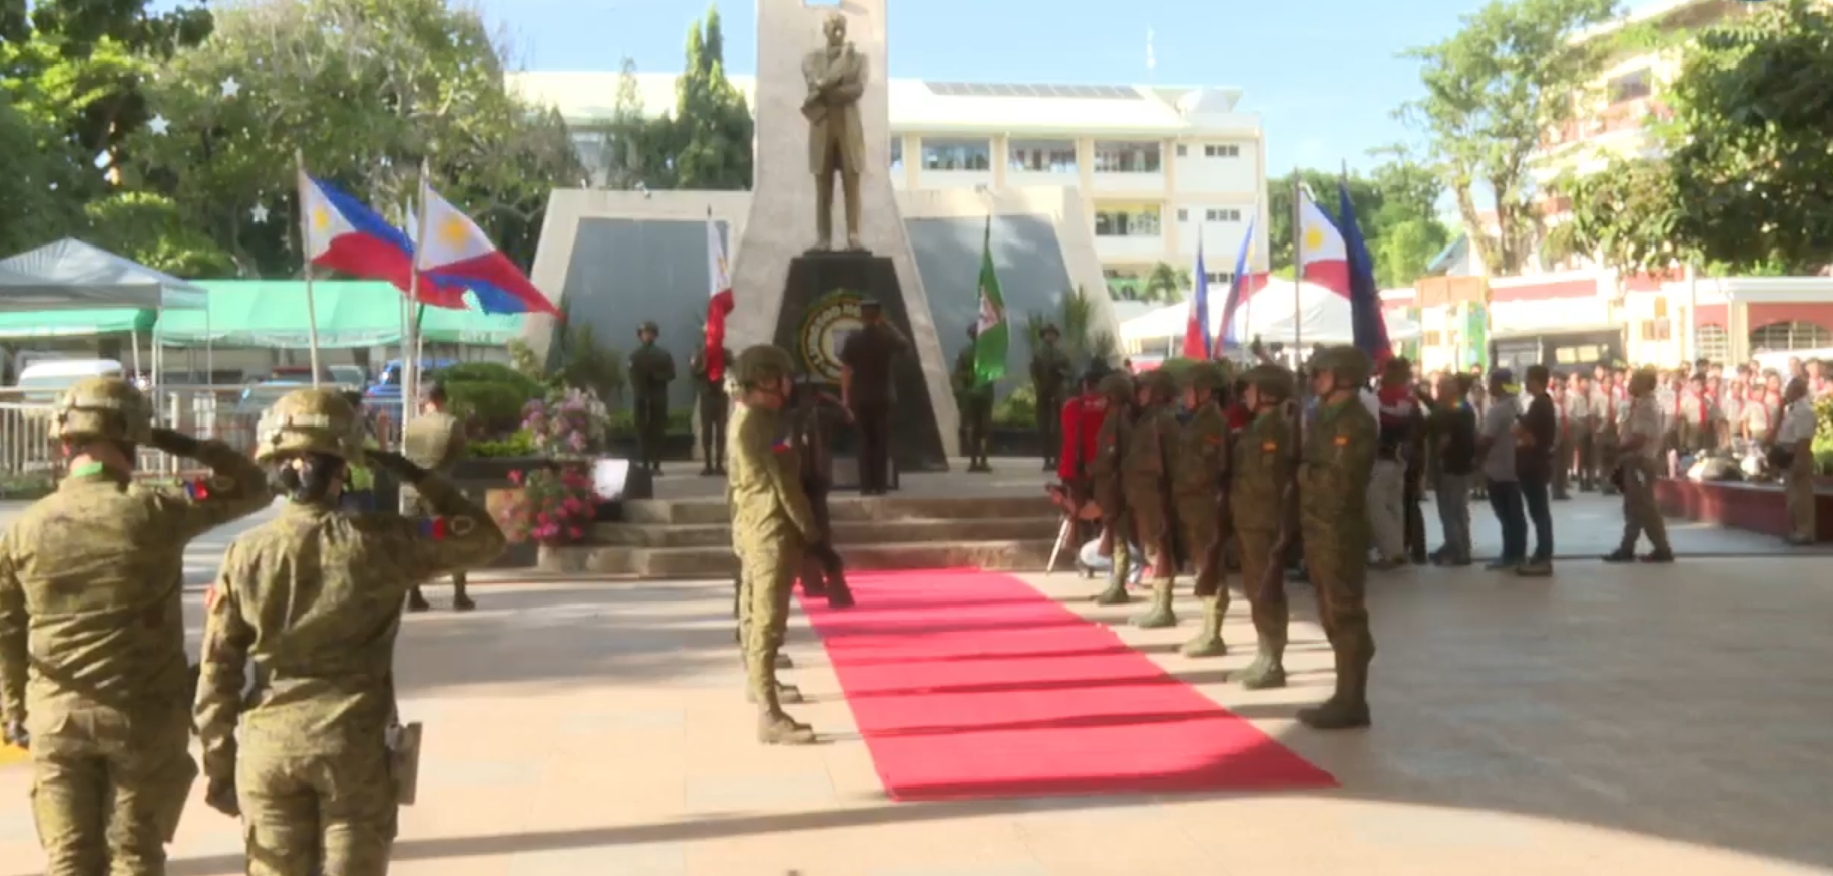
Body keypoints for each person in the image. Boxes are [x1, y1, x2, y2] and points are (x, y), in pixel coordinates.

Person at [194, 388, 506, 876]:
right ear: (345, 468)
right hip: (353, 751)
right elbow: (484, 536)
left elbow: (217, 674)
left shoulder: (245, 553)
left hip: (268, 752)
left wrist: (219, 767)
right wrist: (414, 473)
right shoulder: (383, 540)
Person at [0, 376, 272, 875]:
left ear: (64, 441)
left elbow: (7, 630)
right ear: (134, 437)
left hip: (57, 718)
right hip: (143, 718)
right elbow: (253, 486)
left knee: (68, 860)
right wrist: (177, 441)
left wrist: (14, 707)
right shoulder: (160, 507)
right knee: (136, 857)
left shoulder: (23, 529)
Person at [728, 345, 822, 744]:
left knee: (753, 610)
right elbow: (785, 486)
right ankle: (770, 714)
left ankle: (759, 685)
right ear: (767, 380)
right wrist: (812, 533)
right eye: (782, 378)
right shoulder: (761, 424)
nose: (787, 385)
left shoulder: (742, 416)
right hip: (771, 528)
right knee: (768, 621)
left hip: (751, 524)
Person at [1296, 346, 1379, 730]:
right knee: (1330, 611)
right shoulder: (1327, 418)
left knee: (1344, 612)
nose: (1315, 381)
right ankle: (1345, 693)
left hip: (1340, 529)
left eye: (1322, 373)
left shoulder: (1354, 423)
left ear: (1343, 377)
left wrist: (1303, 476)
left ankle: (1352, 700)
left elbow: (1338, 482)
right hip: (1320, 525)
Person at [1232, 364, 1297, 688]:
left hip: (1265, 520)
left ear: (1267, 394)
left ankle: (1273, 660)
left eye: (1252, 389)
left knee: (1267, 590)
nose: (1246, 394)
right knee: (1255, 588)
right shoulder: (1256, 428)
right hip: (1250, 518)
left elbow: (1272, 482)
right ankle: (1263, 653)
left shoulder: (1276, 431)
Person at [1167, 363, 1230, 653]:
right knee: (1202, 566)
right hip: (1192, 505)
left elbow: (1208, 468)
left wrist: (1182, 484)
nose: (1185, 395)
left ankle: (1213, 634)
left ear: (1204, 392)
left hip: (1205, 504)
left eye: (1189, 390)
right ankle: (1208, 630)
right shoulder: (1198, 421)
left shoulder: (1212, 423)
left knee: (1210, 567)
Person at [404, 382, 475, 613]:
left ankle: (415, 596)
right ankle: (459, 595)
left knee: (417, 541)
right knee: (451, 538)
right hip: (439, 493)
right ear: (442, 399)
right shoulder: (452, 423)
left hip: (413, 492)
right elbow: (459, 453)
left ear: (425, 400)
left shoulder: (412, 425)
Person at [789, 375, 856, 607]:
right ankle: (813, 580)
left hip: (814, 480)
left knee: (817, 533)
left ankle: (816, 580)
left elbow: (848, 418)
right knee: (812, 534)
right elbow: (777, 446)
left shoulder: (817, 415)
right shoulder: (791, 418)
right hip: (804, 480)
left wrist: (830, 401)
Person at [1120, 369, 1179, 628]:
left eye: (1146, 390)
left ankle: (1164, 607)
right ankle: (1159, 604)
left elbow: (1168, 464)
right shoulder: (1147, 420)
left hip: (1156, 497)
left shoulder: (1162, 422)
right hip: (1145, 497)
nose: (1140, 395)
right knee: (1153, 551)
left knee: (1160, 552)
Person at [1603, 367, 1676, 563]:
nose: (1630, 385)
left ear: (1644, 385)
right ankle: (1627, 547)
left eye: (1634, 381)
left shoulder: (1646, 407)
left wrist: (1617, 450)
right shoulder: (1640, 405)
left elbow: (1639, 438)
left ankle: (1662, 548)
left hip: (1640, 462)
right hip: (1635, 461)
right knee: (1634, 508)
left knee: (1645, 507)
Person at [838, 299, 910, 495]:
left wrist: (845, 397)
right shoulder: (886, 338)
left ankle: (865, 486)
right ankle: (880, 485)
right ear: (879, 317)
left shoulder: (853, 340)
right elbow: (905, 344)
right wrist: (889, 325)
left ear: (861, 318)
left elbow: (845, 370)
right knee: (881, 442)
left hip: (860, 397)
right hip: (883, 397)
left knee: (863, 441)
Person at [1086, 372, 1135, 605]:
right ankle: (1115, 583)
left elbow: (1110, 457)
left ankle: (1118, 585)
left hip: (1115, 488)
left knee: (1119, 540)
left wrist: (1092, 467)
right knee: (1116, 538)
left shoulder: (1117, 422)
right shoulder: (1115, 418)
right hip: (1111, 488)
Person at [1425, 373, 1477, 566]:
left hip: (1449, 465)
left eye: (1440, 388)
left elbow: (1445, 438)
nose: (1437, 392)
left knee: (1449, 509)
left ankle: (1456, 549)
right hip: (1463, 464)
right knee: (1459, 508)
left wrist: (1436, 458)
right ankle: (1461, 544)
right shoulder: (1463, 406)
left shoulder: (1450, 411)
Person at [1477, 369, 1527, 570]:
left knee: (1506, 515)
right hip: (1515, 465)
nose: (1489, 387)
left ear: (1500, 384)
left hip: (1498, 468)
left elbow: (1487, 438)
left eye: (1492, 382)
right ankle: (1518, 552)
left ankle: (1510, 554)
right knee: (1516, 515)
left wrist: (1476, 455)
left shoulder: (1497, 410)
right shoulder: (1517, 405)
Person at [1368, 357, 1414, 569]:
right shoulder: (1408, 395)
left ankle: (1391, 550)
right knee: (1394, 503)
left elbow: (1394, 418)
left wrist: (1376, 406)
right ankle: (1397, 548)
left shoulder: (1387, 396)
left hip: (1386, 454)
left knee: (1375, 502)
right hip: (1400, 455)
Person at [1516, 365, 1559, 577]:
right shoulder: (1542, 403)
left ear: (1536, 381)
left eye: (1528, 379)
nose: (1525, 383)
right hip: (1535, 461)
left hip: (1535, 462)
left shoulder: (1540, 404)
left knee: (1540, 511)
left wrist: (1522, 435)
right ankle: (1541, 552)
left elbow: (1521, 430)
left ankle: (1544, 556)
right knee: (1538, 511)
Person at [1772, 376, 1817, 545]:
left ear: (1798, 391)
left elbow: (1803, 440)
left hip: (1797, 454)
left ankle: (1805, 532)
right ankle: (1796, 530)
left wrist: (1799, 461)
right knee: (1793, 497)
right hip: (1787, 454)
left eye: (1789, 389)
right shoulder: (1791, 410)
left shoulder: (1804, 411)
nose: (1786, 392)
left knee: (1801, 497)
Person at [628, 321, 677, 475]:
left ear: (655, 335)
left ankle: (656, 464)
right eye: (644, 333)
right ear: (640, 336)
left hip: (658, 397)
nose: (647, 336)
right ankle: (644, 463)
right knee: (641, 431)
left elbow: (672, 374)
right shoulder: (635, 356)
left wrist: (657, 377)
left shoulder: (663, 355)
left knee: (657, 431)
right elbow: (632, 377)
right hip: (641, 397)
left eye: (650, 333)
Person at [689, 333, 735, 476]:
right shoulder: (701, 354)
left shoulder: (725, 353)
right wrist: (705, 360)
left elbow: (733, 368)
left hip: (721, 396)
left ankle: (719, 464)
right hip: (707, 396)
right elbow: (694, 372)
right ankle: (708, 464)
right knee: (707, 431)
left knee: (721, 431)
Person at [951, 324, 994, 473]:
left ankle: (976, 461)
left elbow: (958, 374)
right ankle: (980, 460)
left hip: (975, 395)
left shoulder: (967, 352)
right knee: (982, 429)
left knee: (976, 429)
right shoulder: (985, 352)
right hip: (981, 395)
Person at [1029, 323, 1071, 472]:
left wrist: (1059, 372)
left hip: (1058, 392)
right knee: (1045, 427)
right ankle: (1047, 459)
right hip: (1043, 393)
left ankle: (1058, 458)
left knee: (1058, 428)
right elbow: (1034, 373)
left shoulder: (1061, 354)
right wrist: (1039, 388)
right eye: (1047, 334)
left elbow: (1069, 371)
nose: (1050, 336)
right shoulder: (1038, 354)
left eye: (1052, 334)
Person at [340, 390, 380, 514]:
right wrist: (382, 429)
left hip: (347, 488)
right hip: (357, 490)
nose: (363, 409)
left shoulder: (341, 428)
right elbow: (380, 456)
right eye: (361, 405)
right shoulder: (353, 432)